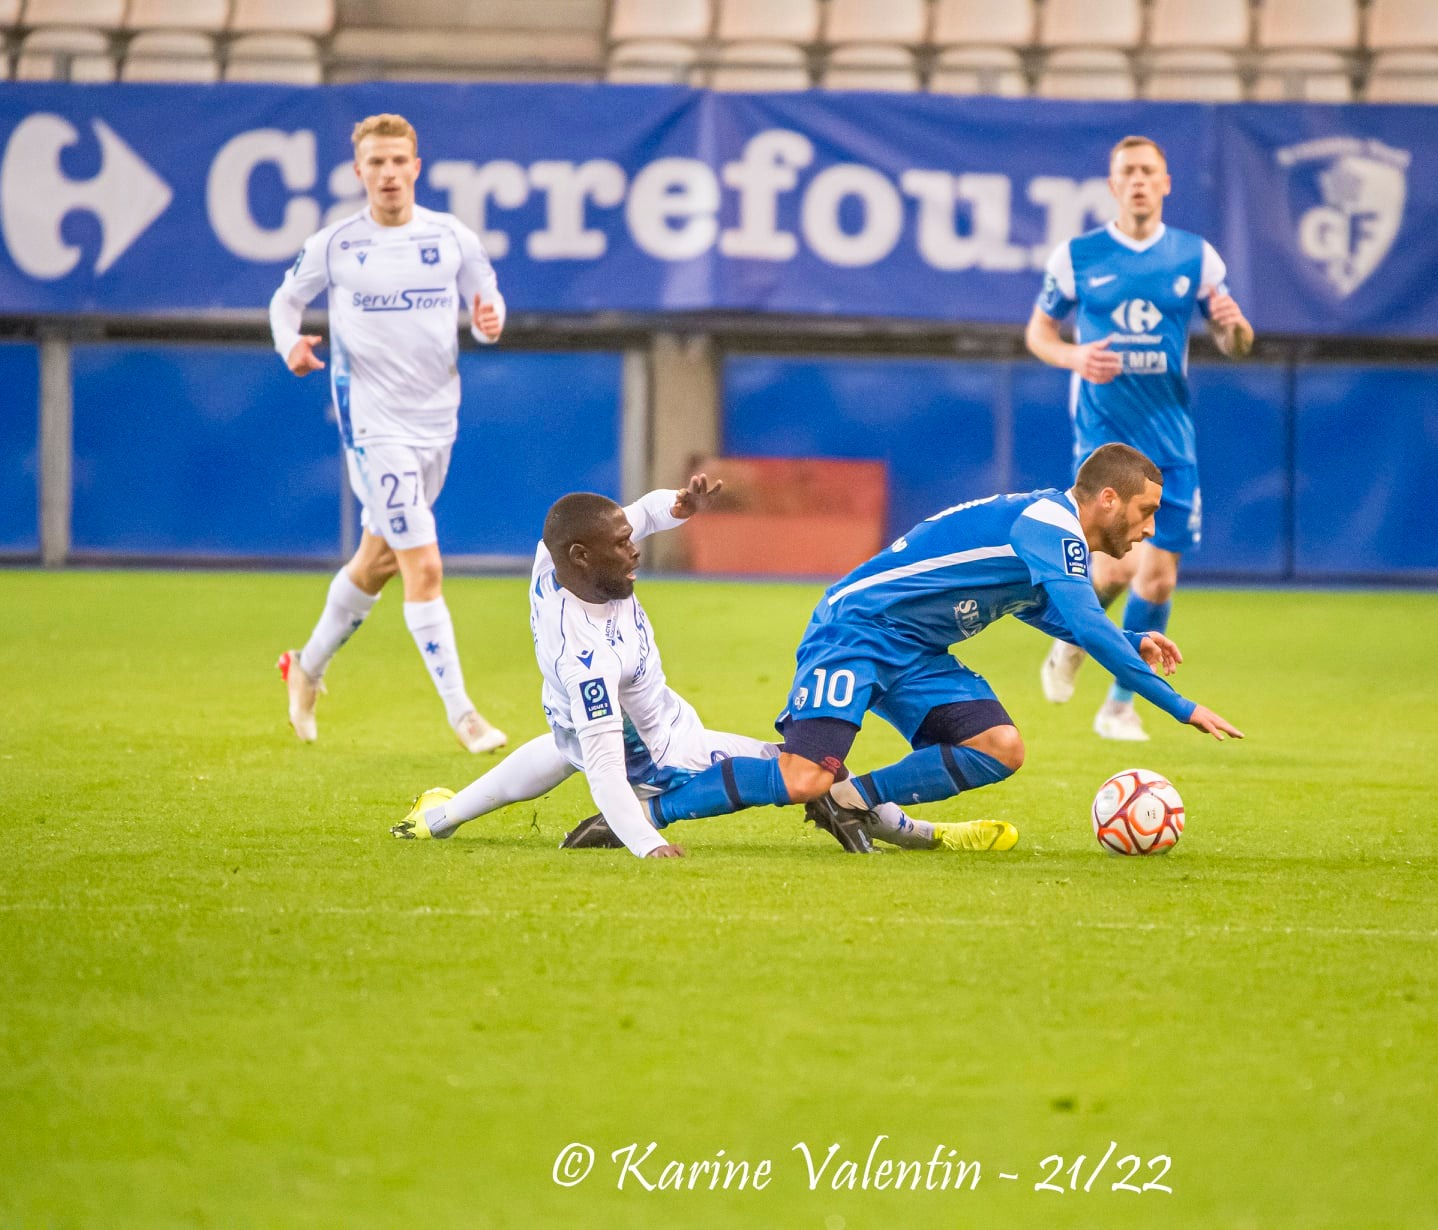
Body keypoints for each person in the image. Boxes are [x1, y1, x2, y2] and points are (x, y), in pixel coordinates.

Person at [636, 444, 1243, 840]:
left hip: (917, 651)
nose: (1150, 529)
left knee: (1000, 747)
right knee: (800, 776)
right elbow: (1085, 627)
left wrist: (1128, 638)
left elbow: (1049, 612)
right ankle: (645, 813)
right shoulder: (1051, 528)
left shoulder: (1052, 531)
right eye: (1146, 511)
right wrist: (1181, 708)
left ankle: (851, 802)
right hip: (859, 630)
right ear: (1107, 498)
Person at [392, 477, 1019, 858]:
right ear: (581, 557)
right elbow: (606, 768)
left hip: (581, 726)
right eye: (620, 547)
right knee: (812, 770)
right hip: (660, 754)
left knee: (560, 748)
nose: (633, 548)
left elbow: (639, 511)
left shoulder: (556, 557)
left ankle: (438, 819)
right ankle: (925, 832)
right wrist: (645, 840)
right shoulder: (586, 656)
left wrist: (681, 506)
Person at [269, 112, 509, 753]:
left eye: (398, 161)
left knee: (376, 562)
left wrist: (488, 322)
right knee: (422, 565)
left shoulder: (451, 236)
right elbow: (284, 301)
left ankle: (306, 667)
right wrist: (289, 342)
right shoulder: (336, 243)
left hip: (437, 420)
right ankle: (464, 715)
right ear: (359, 172)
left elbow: (488, 300)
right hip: (373, 425)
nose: (388, 173)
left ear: (417, 166)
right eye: (375, 163)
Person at [1026, 134, 1255, 743]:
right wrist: (1075, 356)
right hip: (1103, 442)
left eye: (1148, 171)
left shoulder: (1194, 257)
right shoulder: (1077, 257)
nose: (1138, 181)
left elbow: (1237, 342)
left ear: (1166, 182)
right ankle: (1072, 641)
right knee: (1114, 574)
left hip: (1171, 444)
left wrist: (1236, 332)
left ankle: (1118, 706)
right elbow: (1039, 334)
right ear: (1112, 184)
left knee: (1158, 579)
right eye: (1127, 171)